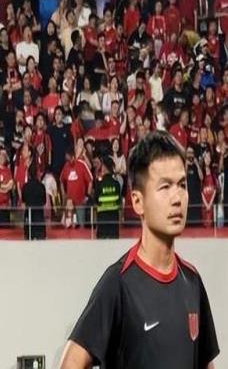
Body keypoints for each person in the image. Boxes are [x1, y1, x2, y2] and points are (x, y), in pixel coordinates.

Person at [59, 131, 219, 369]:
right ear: (137, 201)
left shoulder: (192, 281)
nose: (177, 198)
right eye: (165, 187)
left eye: (182, 185)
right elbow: (71, 362)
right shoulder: (118, 282)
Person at [94, 156, 121, 239]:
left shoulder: (99, 184)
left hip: (102, 220)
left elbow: (96, 202)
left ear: (105, 168)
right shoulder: (116, 184)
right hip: (114, 220)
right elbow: (119, 203)